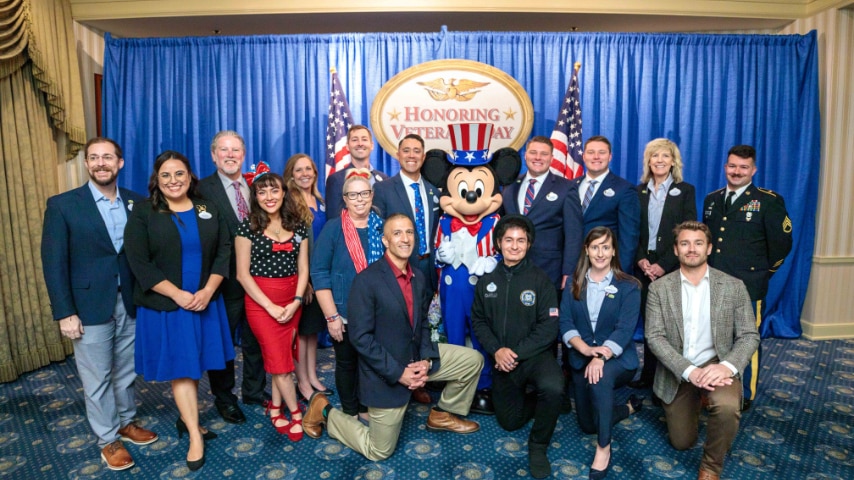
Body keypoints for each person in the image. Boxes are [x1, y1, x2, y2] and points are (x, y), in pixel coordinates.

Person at [303, 214, 483, 461]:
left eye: (409, 232)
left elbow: (421, 326)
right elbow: (360, 338)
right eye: (397, 233)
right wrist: (399, 373)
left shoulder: (418, 277)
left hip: (416, 359)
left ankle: (444, 413)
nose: (405, 238)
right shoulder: (367, 280)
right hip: (385, 372)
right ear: (385, 240)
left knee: (472, 360)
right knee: (379, 451)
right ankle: (323, 410)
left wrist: (426, 361)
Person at [42, 137, 157, 471]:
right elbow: (53, 263)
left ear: (120, 163)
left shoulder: (137, 202)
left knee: (124, 373)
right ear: (87, 164)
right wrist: (64, 312)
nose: (101, 163)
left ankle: (126, 422)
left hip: (131, 302)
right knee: (97, 379)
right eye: (94, 158)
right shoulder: (63, 205)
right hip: (88, 306)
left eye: (108, 157)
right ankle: (108, 439)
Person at [125, 151, 235, 471]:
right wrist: (178, 295)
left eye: (180, 174)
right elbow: (139, 262)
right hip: (167, 306)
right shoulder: (145, 212)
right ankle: (194, 436)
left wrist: (208, 290)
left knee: (197, 363)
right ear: (156, 181)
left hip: (204, 301)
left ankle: (189, 420)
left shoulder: (206, 208)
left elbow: (223, 250)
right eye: (166, 176)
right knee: (183, 370)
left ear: (190, 177)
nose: (174, 181)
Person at [645, 221, 760, 480]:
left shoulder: (733, 286)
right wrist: (689, 371)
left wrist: (726, 366)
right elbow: (654, 337)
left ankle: (711, 466)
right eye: (685, 243)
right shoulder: (659, 289)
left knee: (728, 407)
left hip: (717, 363)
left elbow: (749, 335)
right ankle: (698, 397)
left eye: (698, 243)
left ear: (709, 248)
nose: (692, 249)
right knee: (682, 442)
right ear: (675, 250)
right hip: (680, 369)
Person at [470, 214, 563, 479]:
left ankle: (538, 446)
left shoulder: (540, 280)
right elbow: (478, 320)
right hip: (502, 359)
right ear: (498, 243)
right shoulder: (487, 280)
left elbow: (549, 326)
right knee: (509, 422)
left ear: (529, 244)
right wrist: (497, 350)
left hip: (534, 356)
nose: (514, 246)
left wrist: (518, 352)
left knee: (554, 387)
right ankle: (542, 402)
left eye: (520, 240)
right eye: (508, 240)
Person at [702, 145, 792, 410]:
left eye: (743, 167)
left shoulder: (768, 201)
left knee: (746, 338)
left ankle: (747, 392)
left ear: (753, 170)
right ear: (725, 167)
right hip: (712, 283)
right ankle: (713, 384)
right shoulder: (712, 199)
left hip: (747, 286)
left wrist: (763, 274)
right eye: (732, 166)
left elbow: (781, 245)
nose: (736, 171)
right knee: (713, 337)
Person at [560, 227, 643, 480]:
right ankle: (626, 409)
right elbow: (565, 323)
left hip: (617, 359)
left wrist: (600, 356)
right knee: (587, 424)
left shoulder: (629, 286)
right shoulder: (573, 284)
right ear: (587, 249)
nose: (600, 252)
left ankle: (603, 449)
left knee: (600, 377)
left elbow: (625, 329)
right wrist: (585, 349)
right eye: (595, 247)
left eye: (606, 247)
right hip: (580, 357)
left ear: (614, 250)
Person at [197, 130, 267, 424]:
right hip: (223, 281)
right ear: (213, 155)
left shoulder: (257, 186)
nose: (229, 155)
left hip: (260, 279)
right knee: (222, 343)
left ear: (243, 154)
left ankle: (254, 391)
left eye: (235, 150)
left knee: (257, 340)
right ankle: (224, 398)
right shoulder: (200, 190)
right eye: (223, 150)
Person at [235, 165, 308, 441]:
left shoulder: (296, 224)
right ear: (255, 196)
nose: (269, 196)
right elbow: (242, 275)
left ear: (283, 192)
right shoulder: (247, 227)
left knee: (284, 359)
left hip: (292, 301)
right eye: (262, 191)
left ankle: (276, 408)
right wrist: (270, 307)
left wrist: (297, 300)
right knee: (280, 364)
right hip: (261, 304)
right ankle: (296, 413)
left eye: (274, 190)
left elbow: (303, 268)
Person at [311, 169, 385, 419]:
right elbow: (319, 273)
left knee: (372, 364)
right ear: (345, 199)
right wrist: (331, 317)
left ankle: (366, 406)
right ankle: (351, 410)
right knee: (347, 364)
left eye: (365, 193)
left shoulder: (383, 228)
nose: (360, 199)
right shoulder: (333, 229)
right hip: (343, 314)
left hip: (378, 311)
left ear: (372, 195)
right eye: (353, 195)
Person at [629, 139, 697, 390]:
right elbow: (632, 230)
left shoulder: (685, 190)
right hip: (642, 267)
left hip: (670, 267)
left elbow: (688, 232)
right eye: (654, 156)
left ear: (673, 161)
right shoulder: (638, 191)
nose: (659, 160)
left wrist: (664, 264)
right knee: (649, 325)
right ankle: (648, 376)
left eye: (665, 156)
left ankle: (667, 379)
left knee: (667, 326)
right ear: (648, 161)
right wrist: (640, 259)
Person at [501, 136, 583, 291]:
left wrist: (569, 271)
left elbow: (574, 234)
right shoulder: (509, 185)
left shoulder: (566, 188)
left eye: (544, 154)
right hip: (511, 267)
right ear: (525, 155)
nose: (538, 157)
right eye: (533, 153)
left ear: (551, 158)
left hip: (549, 270)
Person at [283, 153, 332, 401]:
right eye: (299, 170)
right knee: (302, 332)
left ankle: (312, 375)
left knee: (313, 330)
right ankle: (302, 382)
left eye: (309, 169)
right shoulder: (290, 202)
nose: (305, 174)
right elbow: (290, 245)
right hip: (305, 278)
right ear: (291, 174)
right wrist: (305, 283)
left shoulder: (319, 199)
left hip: (321, 274)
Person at [373, 133, 441, 293]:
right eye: (406, 150)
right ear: (398, 155)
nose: (411, 155)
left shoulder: (434, 192)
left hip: (430, 270)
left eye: (416, 151)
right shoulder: (383, 189)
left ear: (423, 157)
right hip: (398, 268)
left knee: (430, 317)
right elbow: (377, 233)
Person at [569, 136, 640, 274]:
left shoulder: (624, 189)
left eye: (601, 152)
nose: (596, 157)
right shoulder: (571, 186)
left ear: (610, 156)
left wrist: (619, 272)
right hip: (574, 267)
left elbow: (629, 237)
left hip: (606, 267)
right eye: (590, 152)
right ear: (583, 156)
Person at [325, 125, 388, 220]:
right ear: (347, 146)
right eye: (355, 140)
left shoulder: (384, 179)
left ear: (372, 145)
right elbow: (333, 218)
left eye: (364, 139)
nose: (360, 143)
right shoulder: (336, 180)